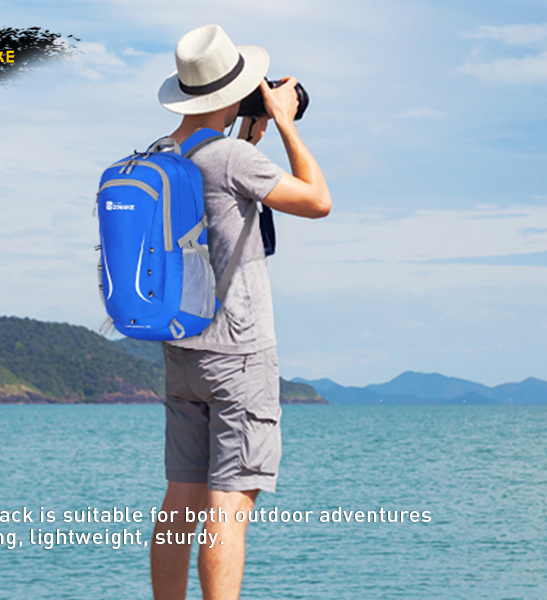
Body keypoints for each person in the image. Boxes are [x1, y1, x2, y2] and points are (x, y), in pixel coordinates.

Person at [148, 24, 330, 600]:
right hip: (239, 355)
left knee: (182, 496)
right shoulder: (229, 158)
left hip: (181, 350)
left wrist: (248, 133)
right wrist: (285, 123)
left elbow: (221, 205)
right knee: (230, 504)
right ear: (229, 95)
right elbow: (317, 200)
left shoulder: (161, 156)